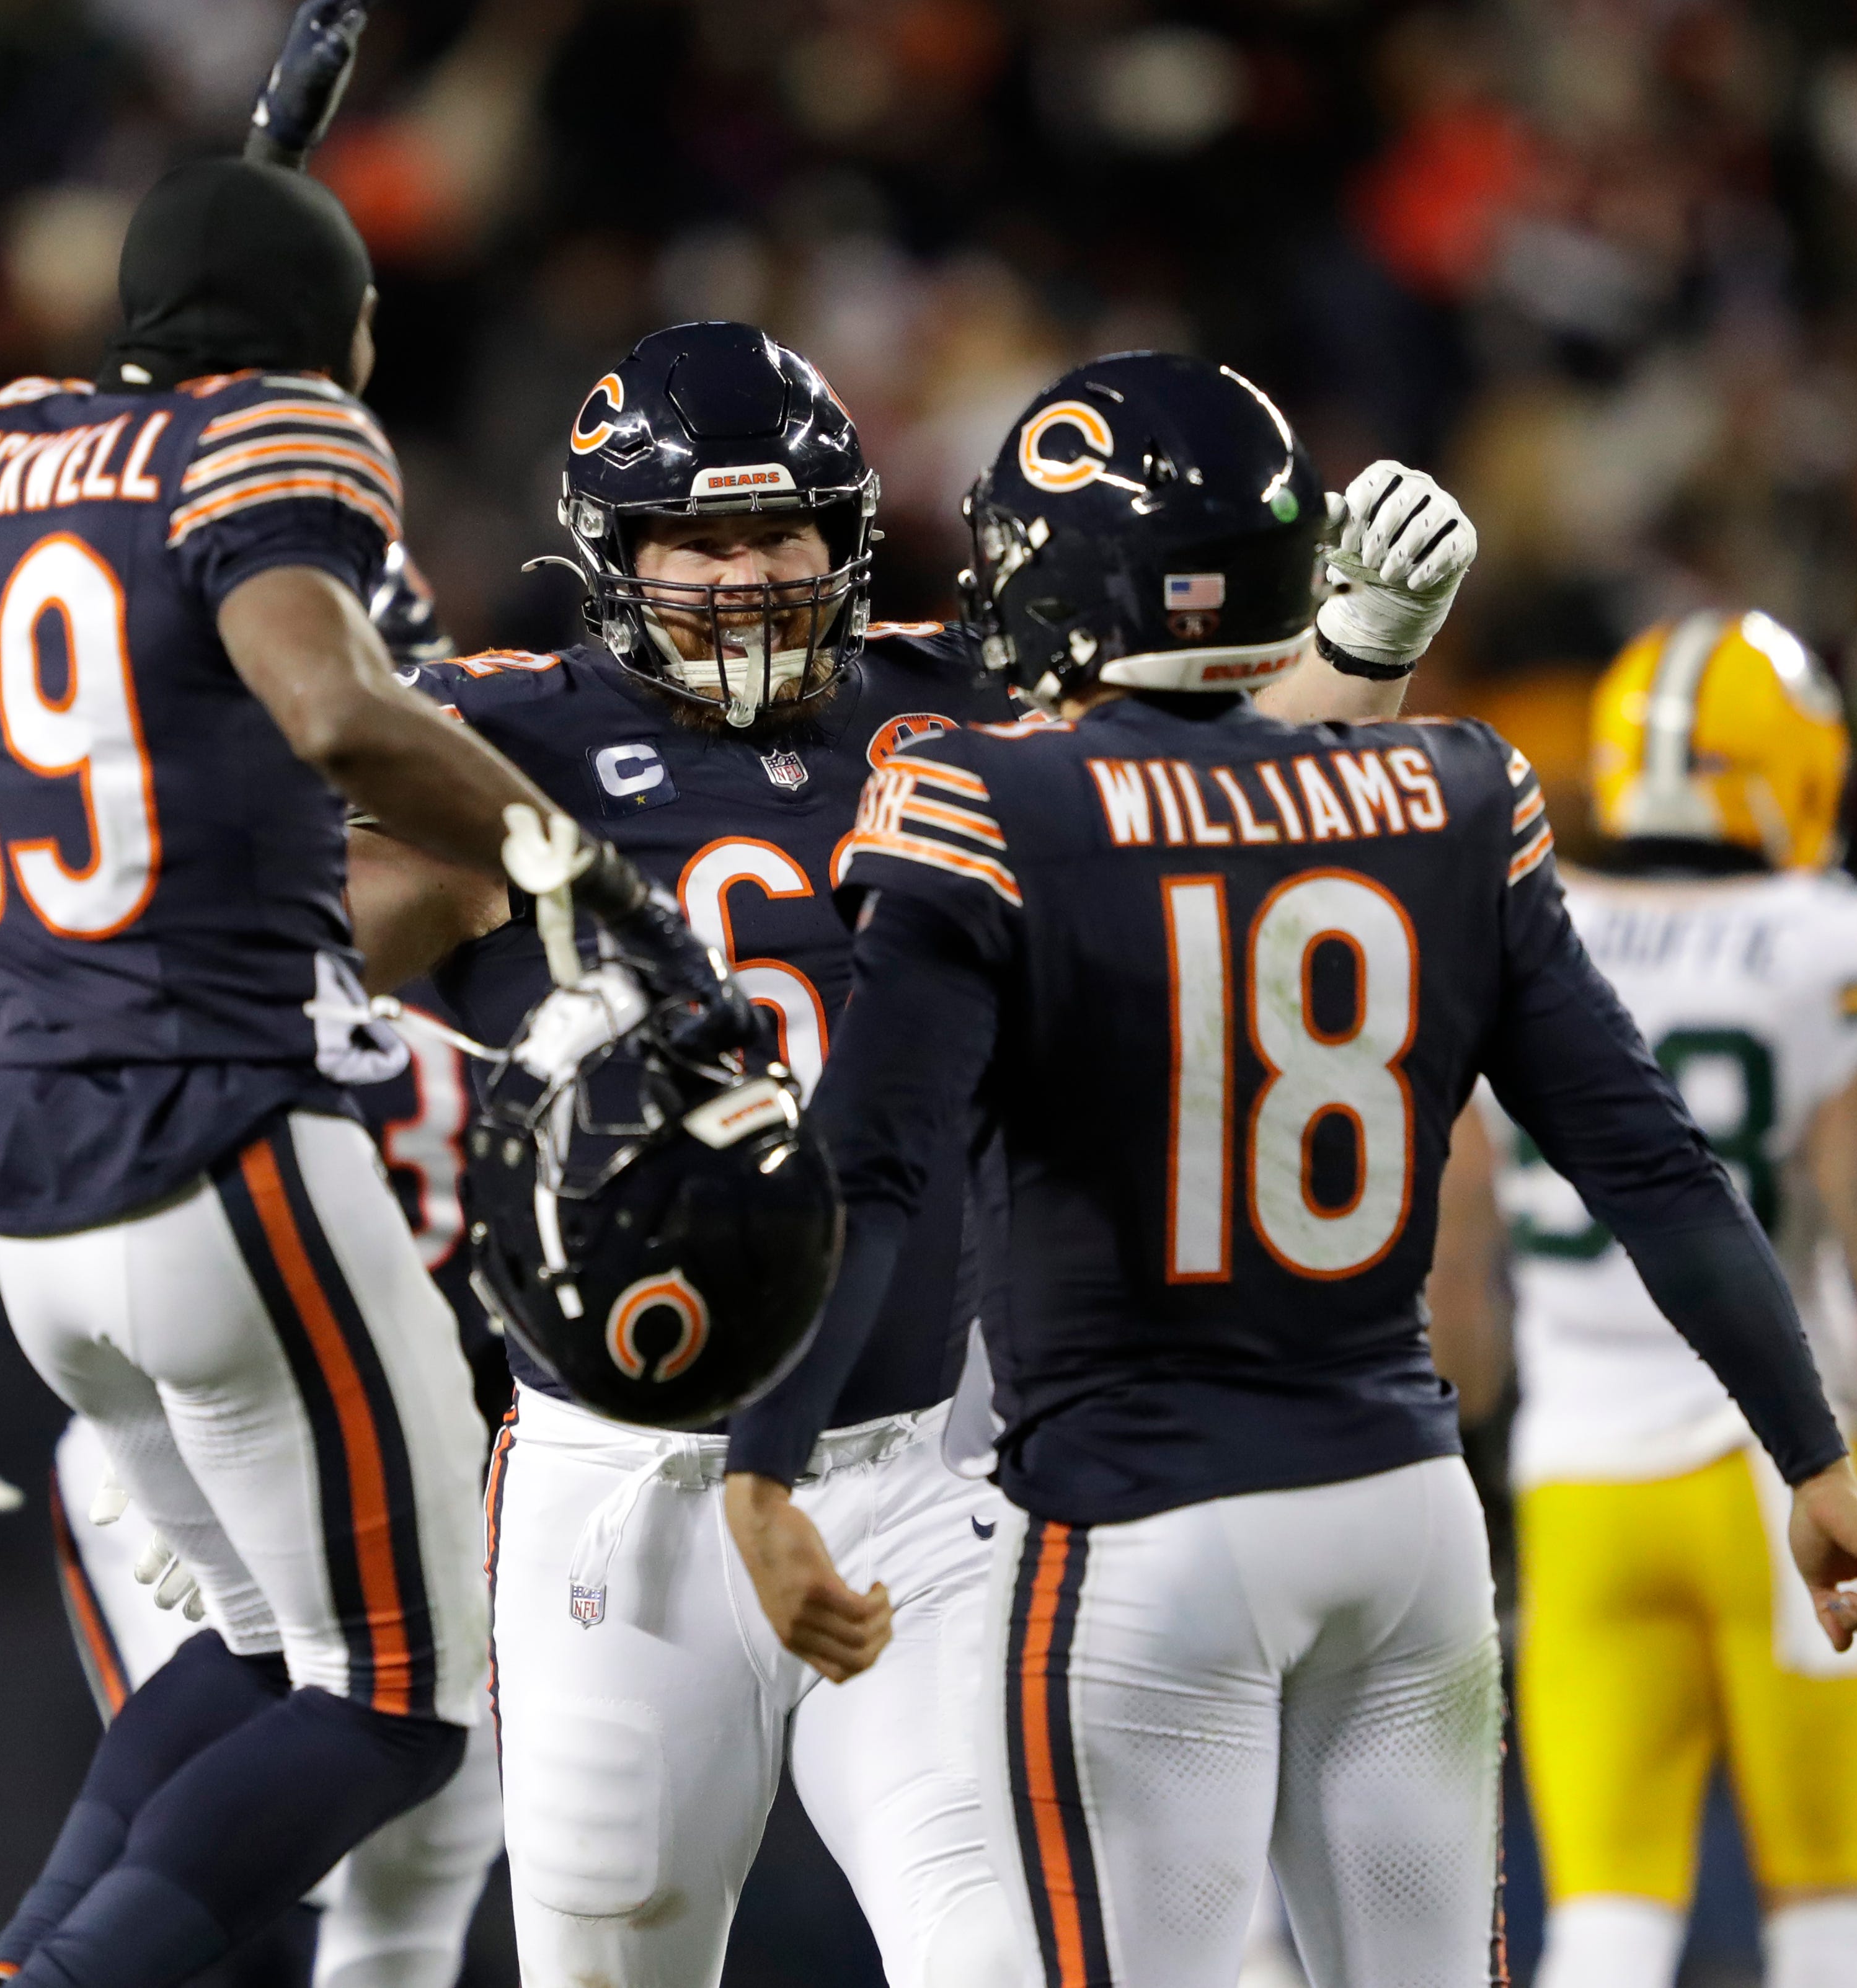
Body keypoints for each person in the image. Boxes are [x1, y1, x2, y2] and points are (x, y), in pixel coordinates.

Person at [729, 351, 1857, 1988]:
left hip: (1137, 1528)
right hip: (1399, 1521)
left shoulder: (982, 798)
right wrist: (1810, 1455)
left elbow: (871, 1172)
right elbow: (1649, 1167)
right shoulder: (1449, 788)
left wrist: (763, 1463)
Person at [343, 322, 1462, 1988]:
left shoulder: (965, 699)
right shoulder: (510, 740)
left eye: (779, 529)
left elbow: (1228, 800)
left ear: (851, 533)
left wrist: (1358, 654)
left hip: (917, 1473)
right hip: (619, 1487)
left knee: (1004, 1956)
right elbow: (288, 958)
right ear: (613, 556)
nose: (744, 574)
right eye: (698, 541)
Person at [0, 0, 757, 1980]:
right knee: (401, 1694)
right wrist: (581, 870)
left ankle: (13, 1957)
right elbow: (322, 696)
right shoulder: (280, 435)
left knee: (251, 1644)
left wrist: (258, 185)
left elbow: (165, 398)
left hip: (36, 1163)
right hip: (220, 1127)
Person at [1423, 612, 1857, 1988]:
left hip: (1579, 1485)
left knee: (1607, 1922)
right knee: (1825, 1911)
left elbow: (1459, 1264)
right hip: (1787, 1489)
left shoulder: (1523, 914)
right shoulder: (1835, 942)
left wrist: (1478, 1471)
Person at [0, 549, 506, 1988]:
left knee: (374, 1834)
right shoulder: (478, 886)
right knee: (371, 1738)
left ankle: (31, 1960)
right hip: (291, 1390)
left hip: (300, 1401)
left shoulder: (118, 880)